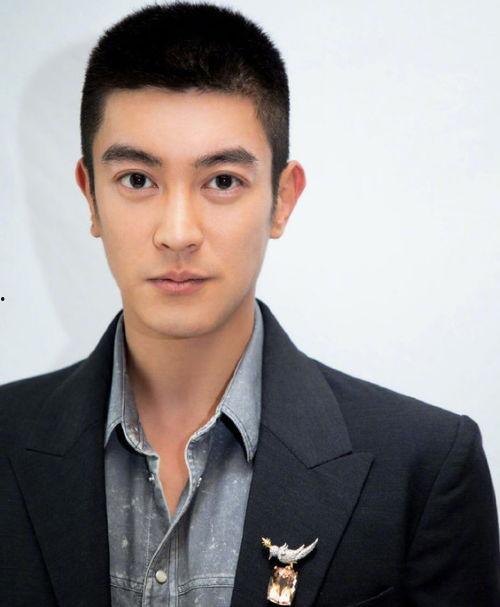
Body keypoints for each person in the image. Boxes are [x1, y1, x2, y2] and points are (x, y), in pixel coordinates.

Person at [1, 2, 498, 606]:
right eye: (137, 179)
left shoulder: (423, 466)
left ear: (282, 199)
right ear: (90, 198)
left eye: (222, 181)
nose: (177, 233)